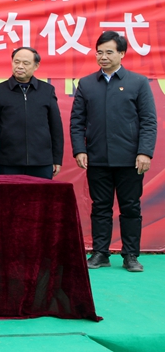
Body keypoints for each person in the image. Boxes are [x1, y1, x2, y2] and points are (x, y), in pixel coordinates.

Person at [71, 31, 157, 273]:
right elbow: (77, 121)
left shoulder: (138, 82)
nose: (103, 57)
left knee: (130, 207)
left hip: (130, 159)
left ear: (122, 53)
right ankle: (100, 253)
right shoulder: (86, 84)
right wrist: (80, 149)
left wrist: (145, 152)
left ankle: (131, 255)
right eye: (99, 52)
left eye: (109, 52)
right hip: (97, 158)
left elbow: (148, 121)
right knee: (100, 207)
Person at [0, 47, 63, 179]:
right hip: (9, 162)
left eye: (26, 63)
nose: (20, 66)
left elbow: (56, 127)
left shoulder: (47, 91)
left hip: (42, 162)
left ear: (36, 66)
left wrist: (57, 158)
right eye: (16, 62)